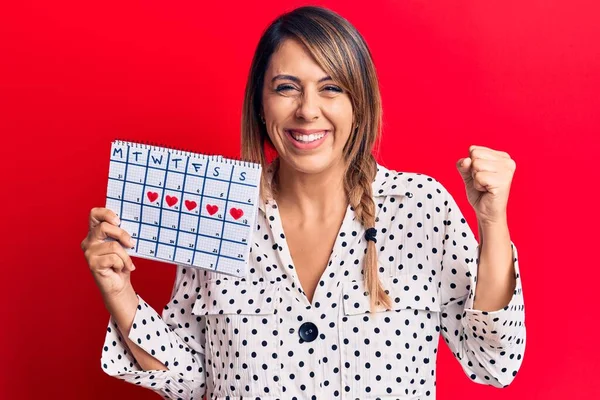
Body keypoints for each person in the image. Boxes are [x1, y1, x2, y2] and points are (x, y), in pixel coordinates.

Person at [81, 6, 526, 399]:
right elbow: (193, 381)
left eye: (331, 88)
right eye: (287, 87)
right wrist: (120, 294)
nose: (308, 110)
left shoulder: (421, 206)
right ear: (260, 103)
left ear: (359, 103)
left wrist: (493, 222)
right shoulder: (218, 212)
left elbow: (493, 362)